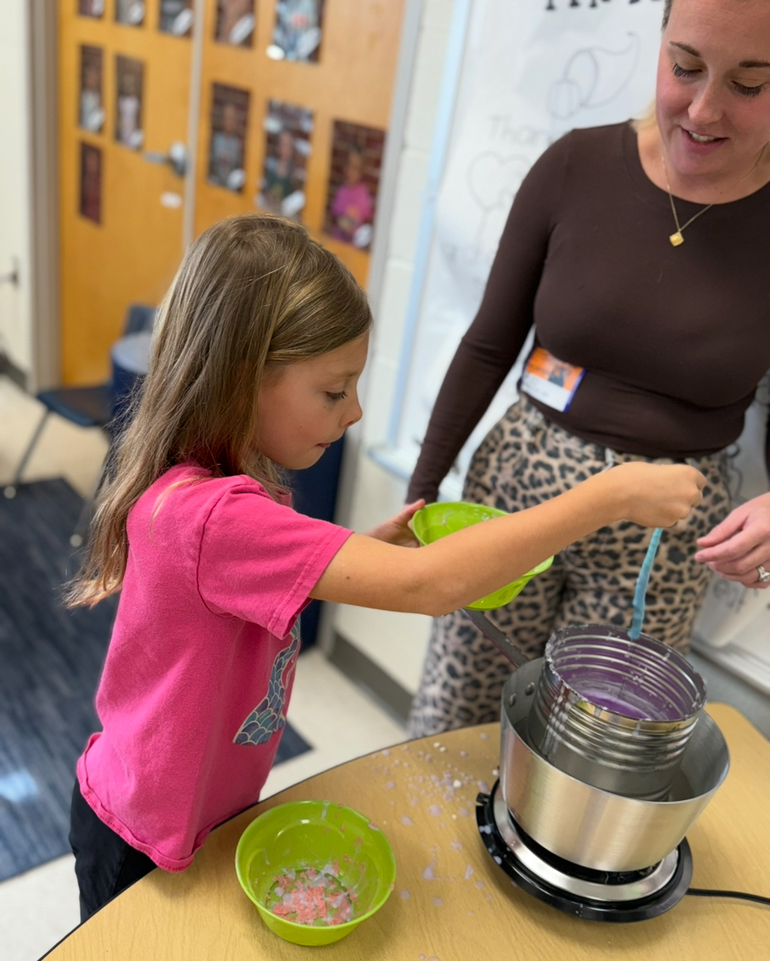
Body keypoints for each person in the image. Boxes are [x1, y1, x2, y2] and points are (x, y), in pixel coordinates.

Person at [65, 214, 702, 921]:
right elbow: (433, 588)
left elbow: (241, 586)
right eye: (334, 392)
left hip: (191, 811)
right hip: (139, 835)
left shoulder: (227, 485)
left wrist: (358, 549)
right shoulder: (213, 515)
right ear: (241, 380)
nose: (356, 410)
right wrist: (607, 497)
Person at [406, 0, 770, 738]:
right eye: (685, 67)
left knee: (594, 749)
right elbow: (488, 343)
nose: (703, 109)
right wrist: (420, 493)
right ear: (659, 48)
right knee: (456, 722)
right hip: (517, 491)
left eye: (750, 83)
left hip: (666, 526)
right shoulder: (577, 163)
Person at [329, 146, 374, 246]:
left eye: (356, 168)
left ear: (361, 171)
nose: (351, 172)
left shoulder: (363, 192)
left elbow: (367, 217)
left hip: (355, 246)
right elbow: (334, 215)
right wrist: (340, 221)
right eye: (349, 166)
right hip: (338, 242)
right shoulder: (341, 190)